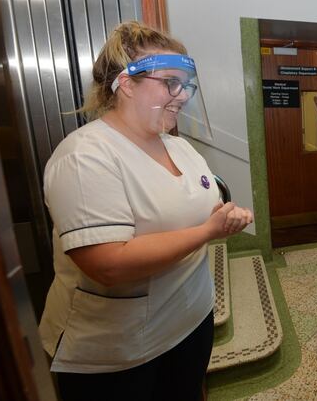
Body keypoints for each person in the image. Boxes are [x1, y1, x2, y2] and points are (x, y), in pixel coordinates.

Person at [38, 21, 254, 401]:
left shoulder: (178, 147)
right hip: (119, 353)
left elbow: (199, 207)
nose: (182, 95)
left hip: (190, 322)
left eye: (185, 83)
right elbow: (108, 264)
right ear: (126, 83)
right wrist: (208, 232)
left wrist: (225, 216)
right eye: (170, 81)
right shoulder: (85, 156)